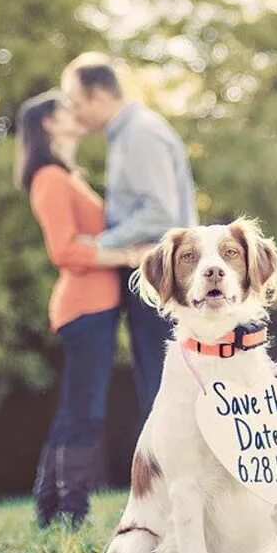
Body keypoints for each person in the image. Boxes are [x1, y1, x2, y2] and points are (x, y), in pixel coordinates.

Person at [16, 91, 142, 527]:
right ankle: (71, 512)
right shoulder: (49, 177)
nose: (76, 113)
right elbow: (64, 250)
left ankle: (50, 508)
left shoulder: (68, 175)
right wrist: (129, 255)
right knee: (84, 410)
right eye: (65, 109)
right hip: (83, 307)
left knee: (78, 407)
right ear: (48, 124)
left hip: (97, 306)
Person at [61, 53, 198, 421]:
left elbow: (160, 212)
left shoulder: (140, 133)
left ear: (101, 94)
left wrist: (101, 243)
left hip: (160, 271)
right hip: (150, 268)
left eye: (76, 103)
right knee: (156, 377)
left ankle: (173, 474)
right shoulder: (125, 135)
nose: (74, 114)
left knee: (164, 378)